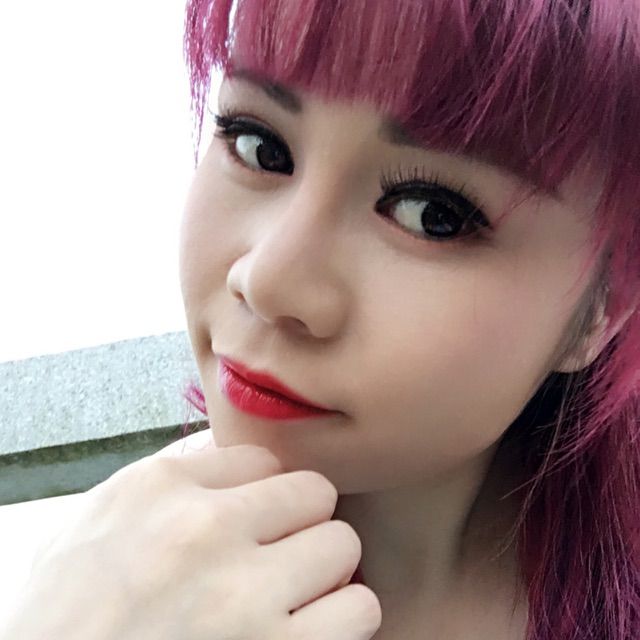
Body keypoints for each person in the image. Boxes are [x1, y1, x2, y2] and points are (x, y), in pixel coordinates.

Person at [2, 0, 640, 638]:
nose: (267, 282)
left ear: (603, 308)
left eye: (431, 214)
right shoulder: (105, 585)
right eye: (259, 146)